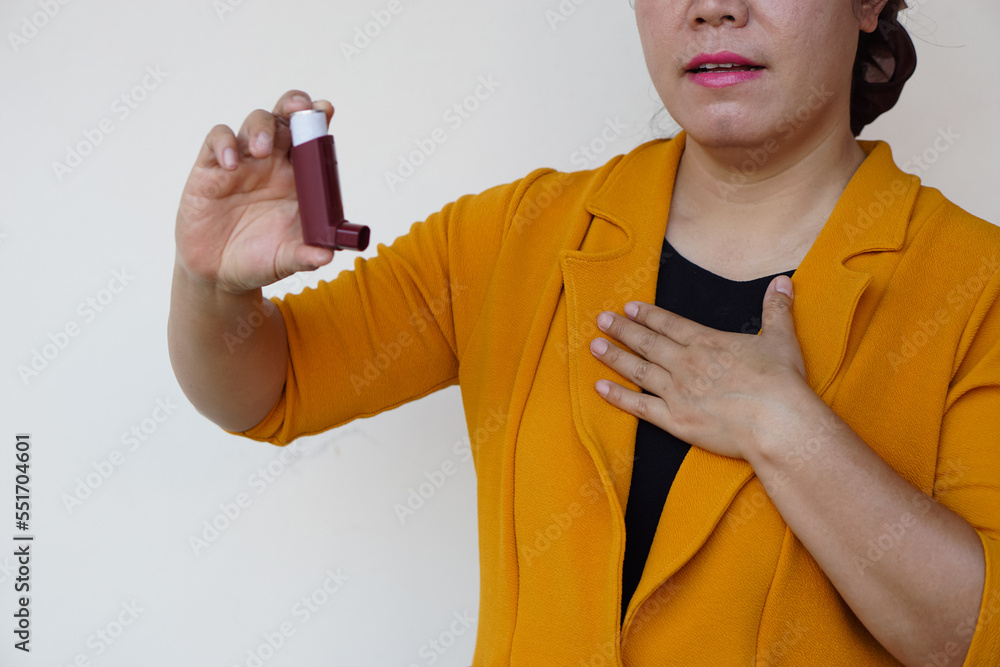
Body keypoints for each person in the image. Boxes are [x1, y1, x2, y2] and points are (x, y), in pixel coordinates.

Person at [167, 0, 1000, 664]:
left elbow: (973, 635)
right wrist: (211, 286)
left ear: (868, 4)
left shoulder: (977, 285)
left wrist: (786, 429)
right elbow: (267, 390)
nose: (712, 8)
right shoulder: (514, 236)